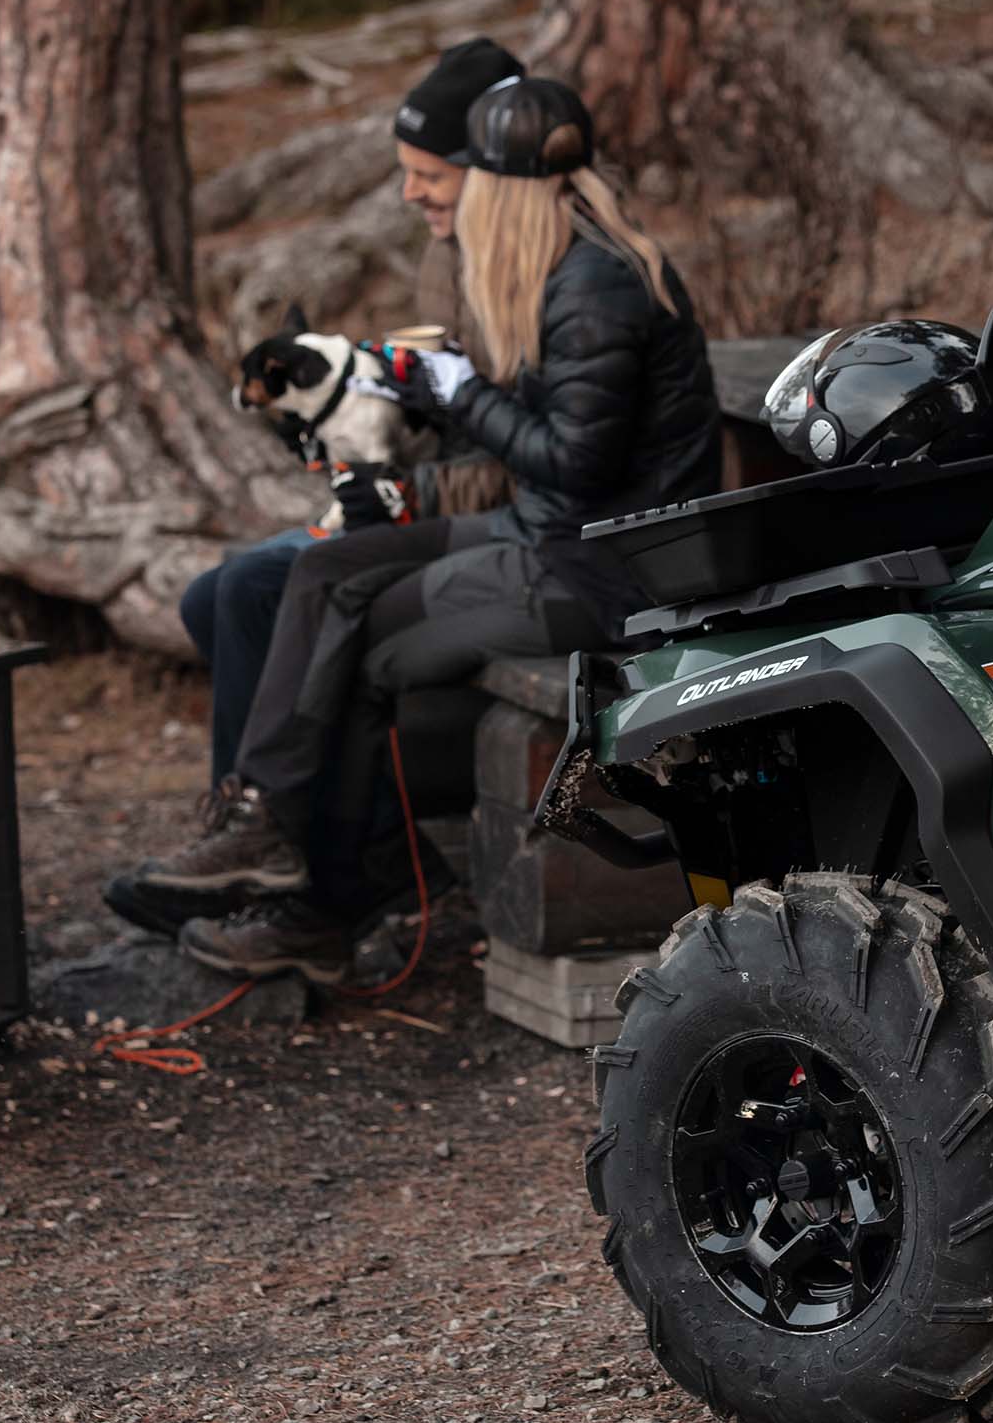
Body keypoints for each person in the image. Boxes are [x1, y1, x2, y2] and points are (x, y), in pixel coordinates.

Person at [159, 75, 724, 985]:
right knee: (325, 574)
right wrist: (423, 404)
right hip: (543, 531)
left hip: (598, 570)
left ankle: (330, 903)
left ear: (503, 190)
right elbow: (546, 447)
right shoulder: (565, 267)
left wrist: (461, 391)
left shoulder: (594, 285)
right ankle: (262, 818)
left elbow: (576, 460)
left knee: (368, 642)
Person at [104, 37, 524, 932]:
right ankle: (326, 852)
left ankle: (289, 879)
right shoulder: (446, 260)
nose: (409, 194)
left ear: (487, 168)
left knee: (258, 589)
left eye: (429, 175)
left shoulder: (530, 277)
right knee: (209, 595)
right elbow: (443, 418)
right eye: (405, 173)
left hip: (481, 530)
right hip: (423, 503)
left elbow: (531, 456)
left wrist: (414, 493)